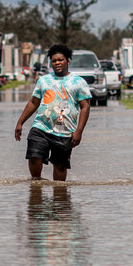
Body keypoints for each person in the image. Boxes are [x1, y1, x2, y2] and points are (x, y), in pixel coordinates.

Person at [14, 44, 91, 181]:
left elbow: (85, 107)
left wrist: (79, 131)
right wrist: (20, 122)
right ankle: (36, 185)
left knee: (60, 166)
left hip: (65, 131)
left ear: (68, 61)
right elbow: (33, 103)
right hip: (41, 127)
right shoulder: (43, 80)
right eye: (54, 61)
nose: (57, 63)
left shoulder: (79, 82)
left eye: (60, 60)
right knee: (34, 156)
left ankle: (59, 197)